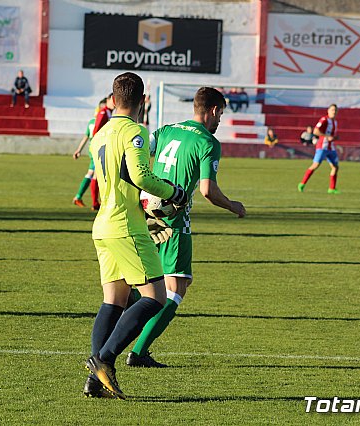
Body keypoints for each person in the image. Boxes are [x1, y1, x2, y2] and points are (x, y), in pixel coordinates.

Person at [83, 72, 188, 399]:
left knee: (112, 300)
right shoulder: (135, 131)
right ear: (142, 101)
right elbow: (139, 175)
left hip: (102, 225)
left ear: (113, 100)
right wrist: (174, 191)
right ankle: (104, 359)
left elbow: (116, 179)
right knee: (154, 297)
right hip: (125, 225)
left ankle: (94, 381)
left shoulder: (98, 136)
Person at [126, 87, 246, 368]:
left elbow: (136, 155)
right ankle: (138, 350)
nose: (219, 122)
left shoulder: (166, 130)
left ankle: (127, 320)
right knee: (176, 286)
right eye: (221, 114)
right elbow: (208, 190)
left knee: (145, 279)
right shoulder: (208, 142)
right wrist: (233, 206)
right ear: (214, 110)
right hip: (174, 221)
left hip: (146, 213)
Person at [298, 104, 340, 194]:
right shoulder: (324, 120)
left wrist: (334, 138)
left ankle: (332, 188)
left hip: (331, 147)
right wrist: (327, 136)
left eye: (335, 110)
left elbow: (330, 135)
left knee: (335, 167)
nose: (334, 112)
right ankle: (302, 183)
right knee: (315, 165)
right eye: (332, 110)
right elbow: (316, 131)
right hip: (322, 146)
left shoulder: (335, 122)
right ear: (328, 111)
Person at [72, 98, 106, 208]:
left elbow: (86, 137)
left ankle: (80, 197)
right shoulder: (102, 122)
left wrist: (79, 150)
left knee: (91, 174)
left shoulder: (91, 122)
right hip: (98, 152)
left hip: (92, 151)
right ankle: (94, 202)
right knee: (95, 175)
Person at [88, 93, 115, 210]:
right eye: (114, 100)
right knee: (96, 175)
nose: (115, 103)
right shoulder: (103, 112)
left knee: (99, 175)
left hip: (104, 147)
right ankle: (95, 202)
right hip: (100, 148)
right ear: (109, 100)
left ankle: (97, 201)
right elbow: (96, 131)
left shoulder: (109, 113)